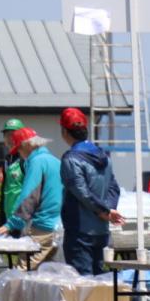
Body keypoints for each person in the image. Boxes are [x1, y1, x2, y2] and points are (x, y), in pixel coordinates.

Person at [58, 108, 124, 275]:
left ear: (64, 131)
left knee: (82, 282)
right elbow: (113, 187)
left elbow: (81, 191)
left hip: (80, 230)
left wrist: (103, 210)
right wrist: (109, 210)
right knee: (99, 279)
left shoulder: (71, 158)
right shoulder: (104, 156)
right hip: (101, 229)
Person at [0, 128, 64, 268]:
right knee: (48, 274)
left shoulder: (36, 162)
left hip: (41, 227)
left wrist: (11, 224)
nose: (19, 153)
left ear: (26, 145)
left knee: (21, 272)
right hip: (59, 227)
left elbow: (29, 196)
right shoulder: (56, 161)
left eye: (18, 149)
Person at [0, 118, 25, 227]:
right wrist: (2, 218)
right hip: (8, 217)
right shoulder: (7, 159)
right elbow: (5, 189)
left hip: (23, 218)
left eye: (13, 135)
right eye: (6, 135)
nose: (9, 139)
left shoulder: (26, 159)